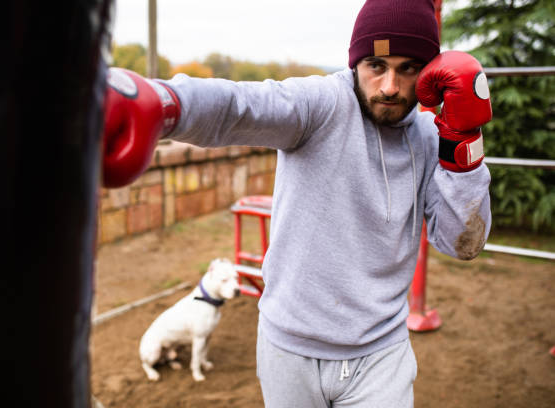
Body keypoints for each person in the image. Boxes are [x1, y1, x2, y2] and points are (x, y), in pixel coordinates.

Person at [101, 0, 492, 406]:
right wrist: (163, 102)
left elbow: (461, 242)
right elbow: (239, 105)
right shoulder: (321, 104)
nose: (390, 86)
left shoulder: (432, 138)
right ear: (355, 62)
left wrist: (464, 148)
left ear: (429, 74)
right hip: (289, 349)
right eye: (376, 66)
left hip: (381, 354)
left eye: (408, 68)